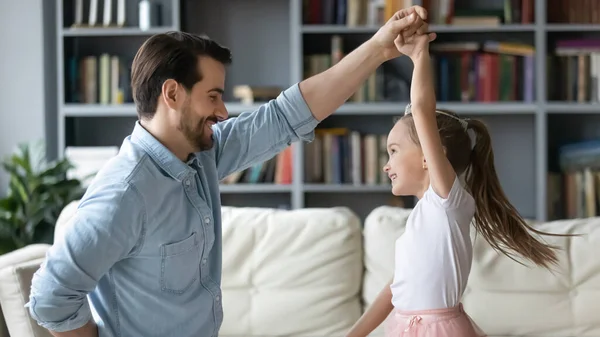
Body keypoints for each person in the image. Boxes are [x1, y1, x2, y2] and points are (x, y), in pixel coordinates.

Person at [26, 6, 434, 337]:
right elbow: (49, 295)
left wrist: (381, 48)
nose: (222, 112)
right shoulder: (125, 193)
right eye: (213, 96)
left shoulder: (200, 155)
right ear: (172, 93)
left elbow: (288, 114)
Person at [345, 20, 563, 337]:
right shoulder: (420, 217)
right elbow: (396, 289)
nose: (386, 165)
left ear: (428, 156)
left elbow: (421, 108)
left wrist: (419, 56)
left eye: (393, 151)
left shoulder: (446, 201)